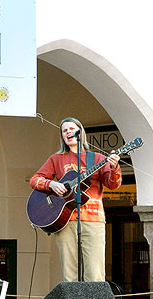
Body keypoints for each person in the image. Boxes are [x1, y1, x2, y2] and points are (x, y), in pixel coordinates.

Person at [29, 117, 121, 282]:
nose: (68, 132)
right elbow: (34, 180)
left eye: (71, 129)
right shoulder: (56, 159)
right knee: (70, 274)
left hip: (93, 219)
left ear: (81, 132)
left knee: (95, 273)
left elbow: (113, 184)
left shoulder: (97, 158)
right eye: (64, 131)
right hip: (65, 219)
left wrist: (114, 167)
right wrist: (52, 184)